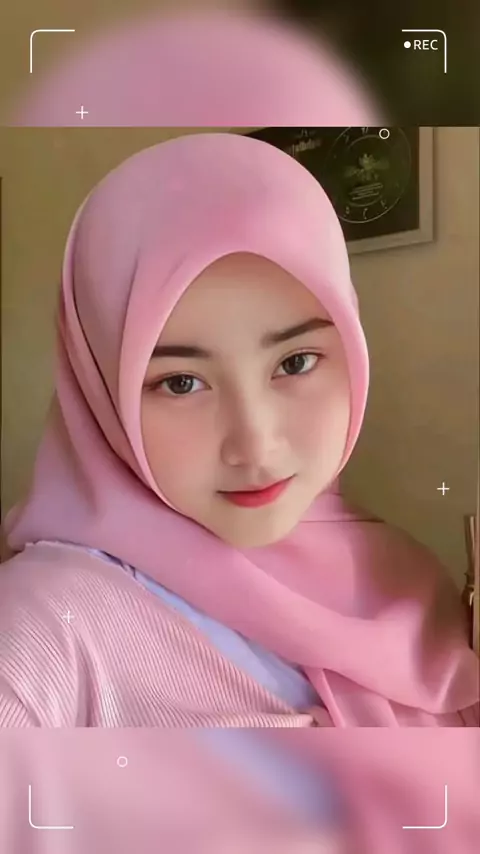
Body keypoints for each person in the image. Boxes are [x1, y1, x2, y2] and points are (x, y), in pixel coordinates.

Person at [0, 132, 477, 734]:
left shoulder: (401, 577)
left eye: (296, 362)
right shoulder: (50, 628)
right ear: (100, 391)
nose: (255, 445)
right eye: (180, 383)